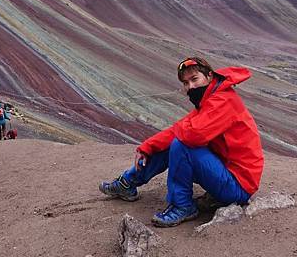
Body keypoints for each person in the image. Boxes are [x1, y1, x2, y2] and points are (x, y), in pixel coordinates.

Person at [99, 57, 264, 227]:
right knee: (173, 141)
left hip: (238, 187)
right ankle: (128, 183)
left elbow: (193, 135)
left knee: (182, 144)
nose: (190, 87)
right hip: (225, 174)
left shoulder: (223, 101)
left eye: (194, 79)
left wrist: (177, 132)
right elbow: (182, 129)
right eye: (186, 83)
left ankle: (182, 206)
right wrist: (147, 147)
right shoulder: (210, 99)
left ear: (209, 75)